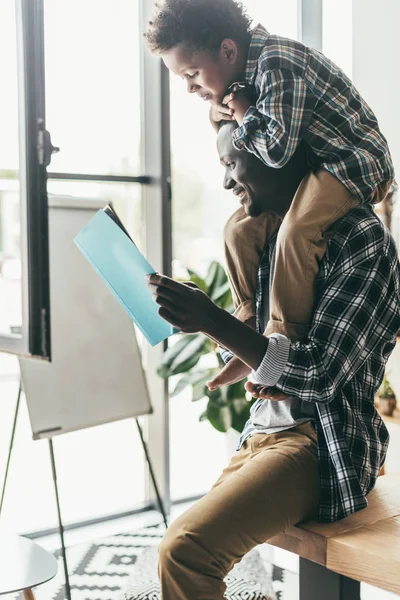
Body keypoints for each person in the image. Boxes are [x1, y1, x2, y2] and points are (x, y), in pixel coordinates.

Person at [145, 121, 400, 600]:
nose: (226, 182)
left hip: (321, 444)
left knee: (184, 552)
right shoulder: (267, 239)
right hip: (263, 434)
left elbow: (320, 374)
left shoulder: (362, 241)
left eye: (232, 165)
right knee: (181, 551)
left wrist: (214, 320)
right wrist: (204, 321)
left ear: (278, 155)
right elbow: (261, 353)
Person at [145, 0, 395, 391]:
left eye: (192, 74)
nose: (189, 87)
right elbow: (228, 128)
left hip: (352, 165)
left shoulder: (279, 61)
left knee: (297, 232)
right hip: (317, 166)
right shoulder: (243, 75)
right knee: (238, 231)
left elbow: (275, 150)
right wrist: (225, 106)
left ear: (228, 51)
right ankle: (247, 327)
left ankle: (280, 347)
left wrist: (242, 110)